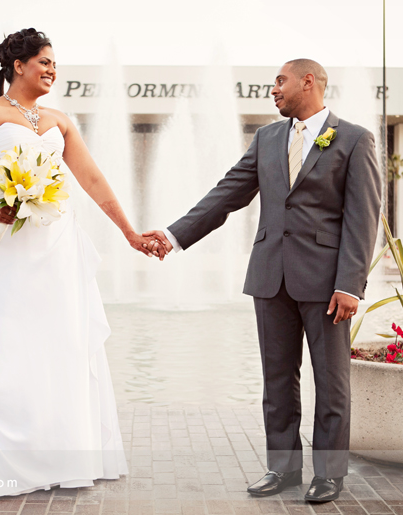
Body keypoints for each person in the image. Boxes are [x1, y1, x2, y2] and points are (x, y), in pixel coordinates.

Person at [0, 28, 159, 501]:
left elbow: (92, 180)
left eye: (54, 63)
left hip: (56, 249)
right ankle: (1, 460)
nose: (52, 70)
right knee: (1, 344)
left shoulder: (59, 121)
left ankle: (58, 457)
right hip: (3, 247)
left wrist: (129, 232)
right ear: (19, 65)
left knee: (59, 343)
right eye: (45, 62)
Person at [145, 59, 382, 503]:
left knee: (331, 382)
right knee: (277, 381)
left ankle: (329, 474)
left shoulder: (353, 139)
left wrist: (350, 284)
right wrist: (174, 236)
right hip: (270, 277)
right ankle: (283, 468)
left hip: (327, 284)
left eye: (280, 81)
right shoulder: (267, 138)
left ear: (307, 82)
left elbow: (362, 216)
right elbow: (227, 193)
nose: (273, 90)